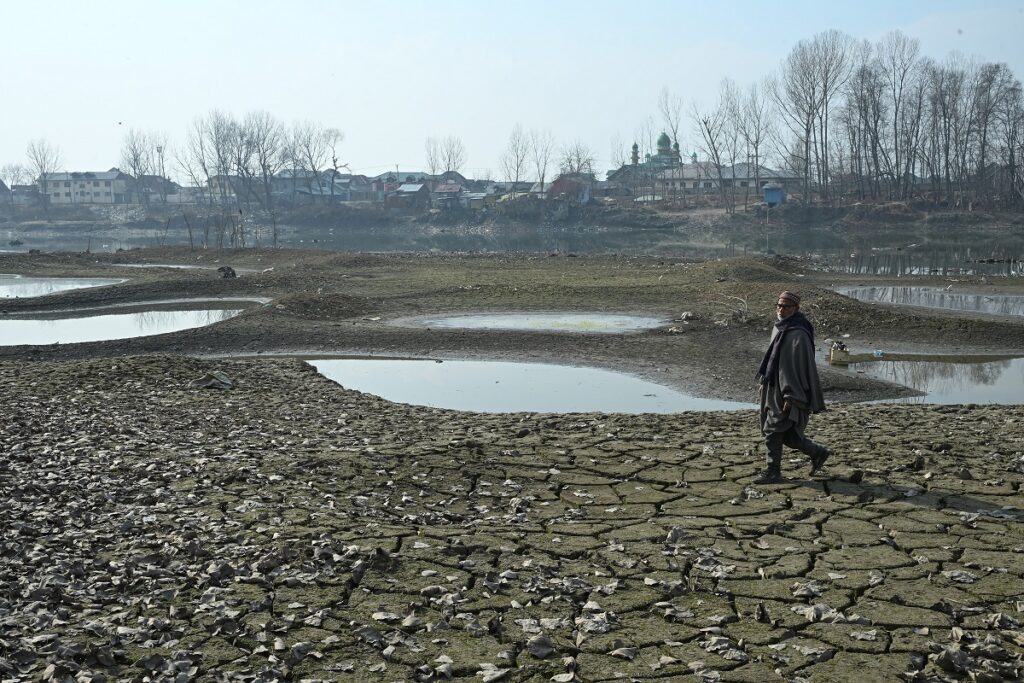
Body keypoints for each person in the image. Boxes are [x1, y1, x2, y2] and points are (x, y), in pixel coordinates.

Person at [753, 291, 830, 484]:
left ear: (796, 308)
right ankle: (818, 453)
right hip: (774, 387)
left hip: (790, 391)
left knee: (773, 429)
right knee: (788, 436)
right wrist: (764, 382)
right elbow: (773, 361)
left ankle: (773, 472)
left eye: (786, 306)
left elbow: (798, 368)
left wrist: (791, 396)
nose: (781, 309)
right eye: (778, 305)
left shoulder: (799, 333)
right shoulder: (780, 328)